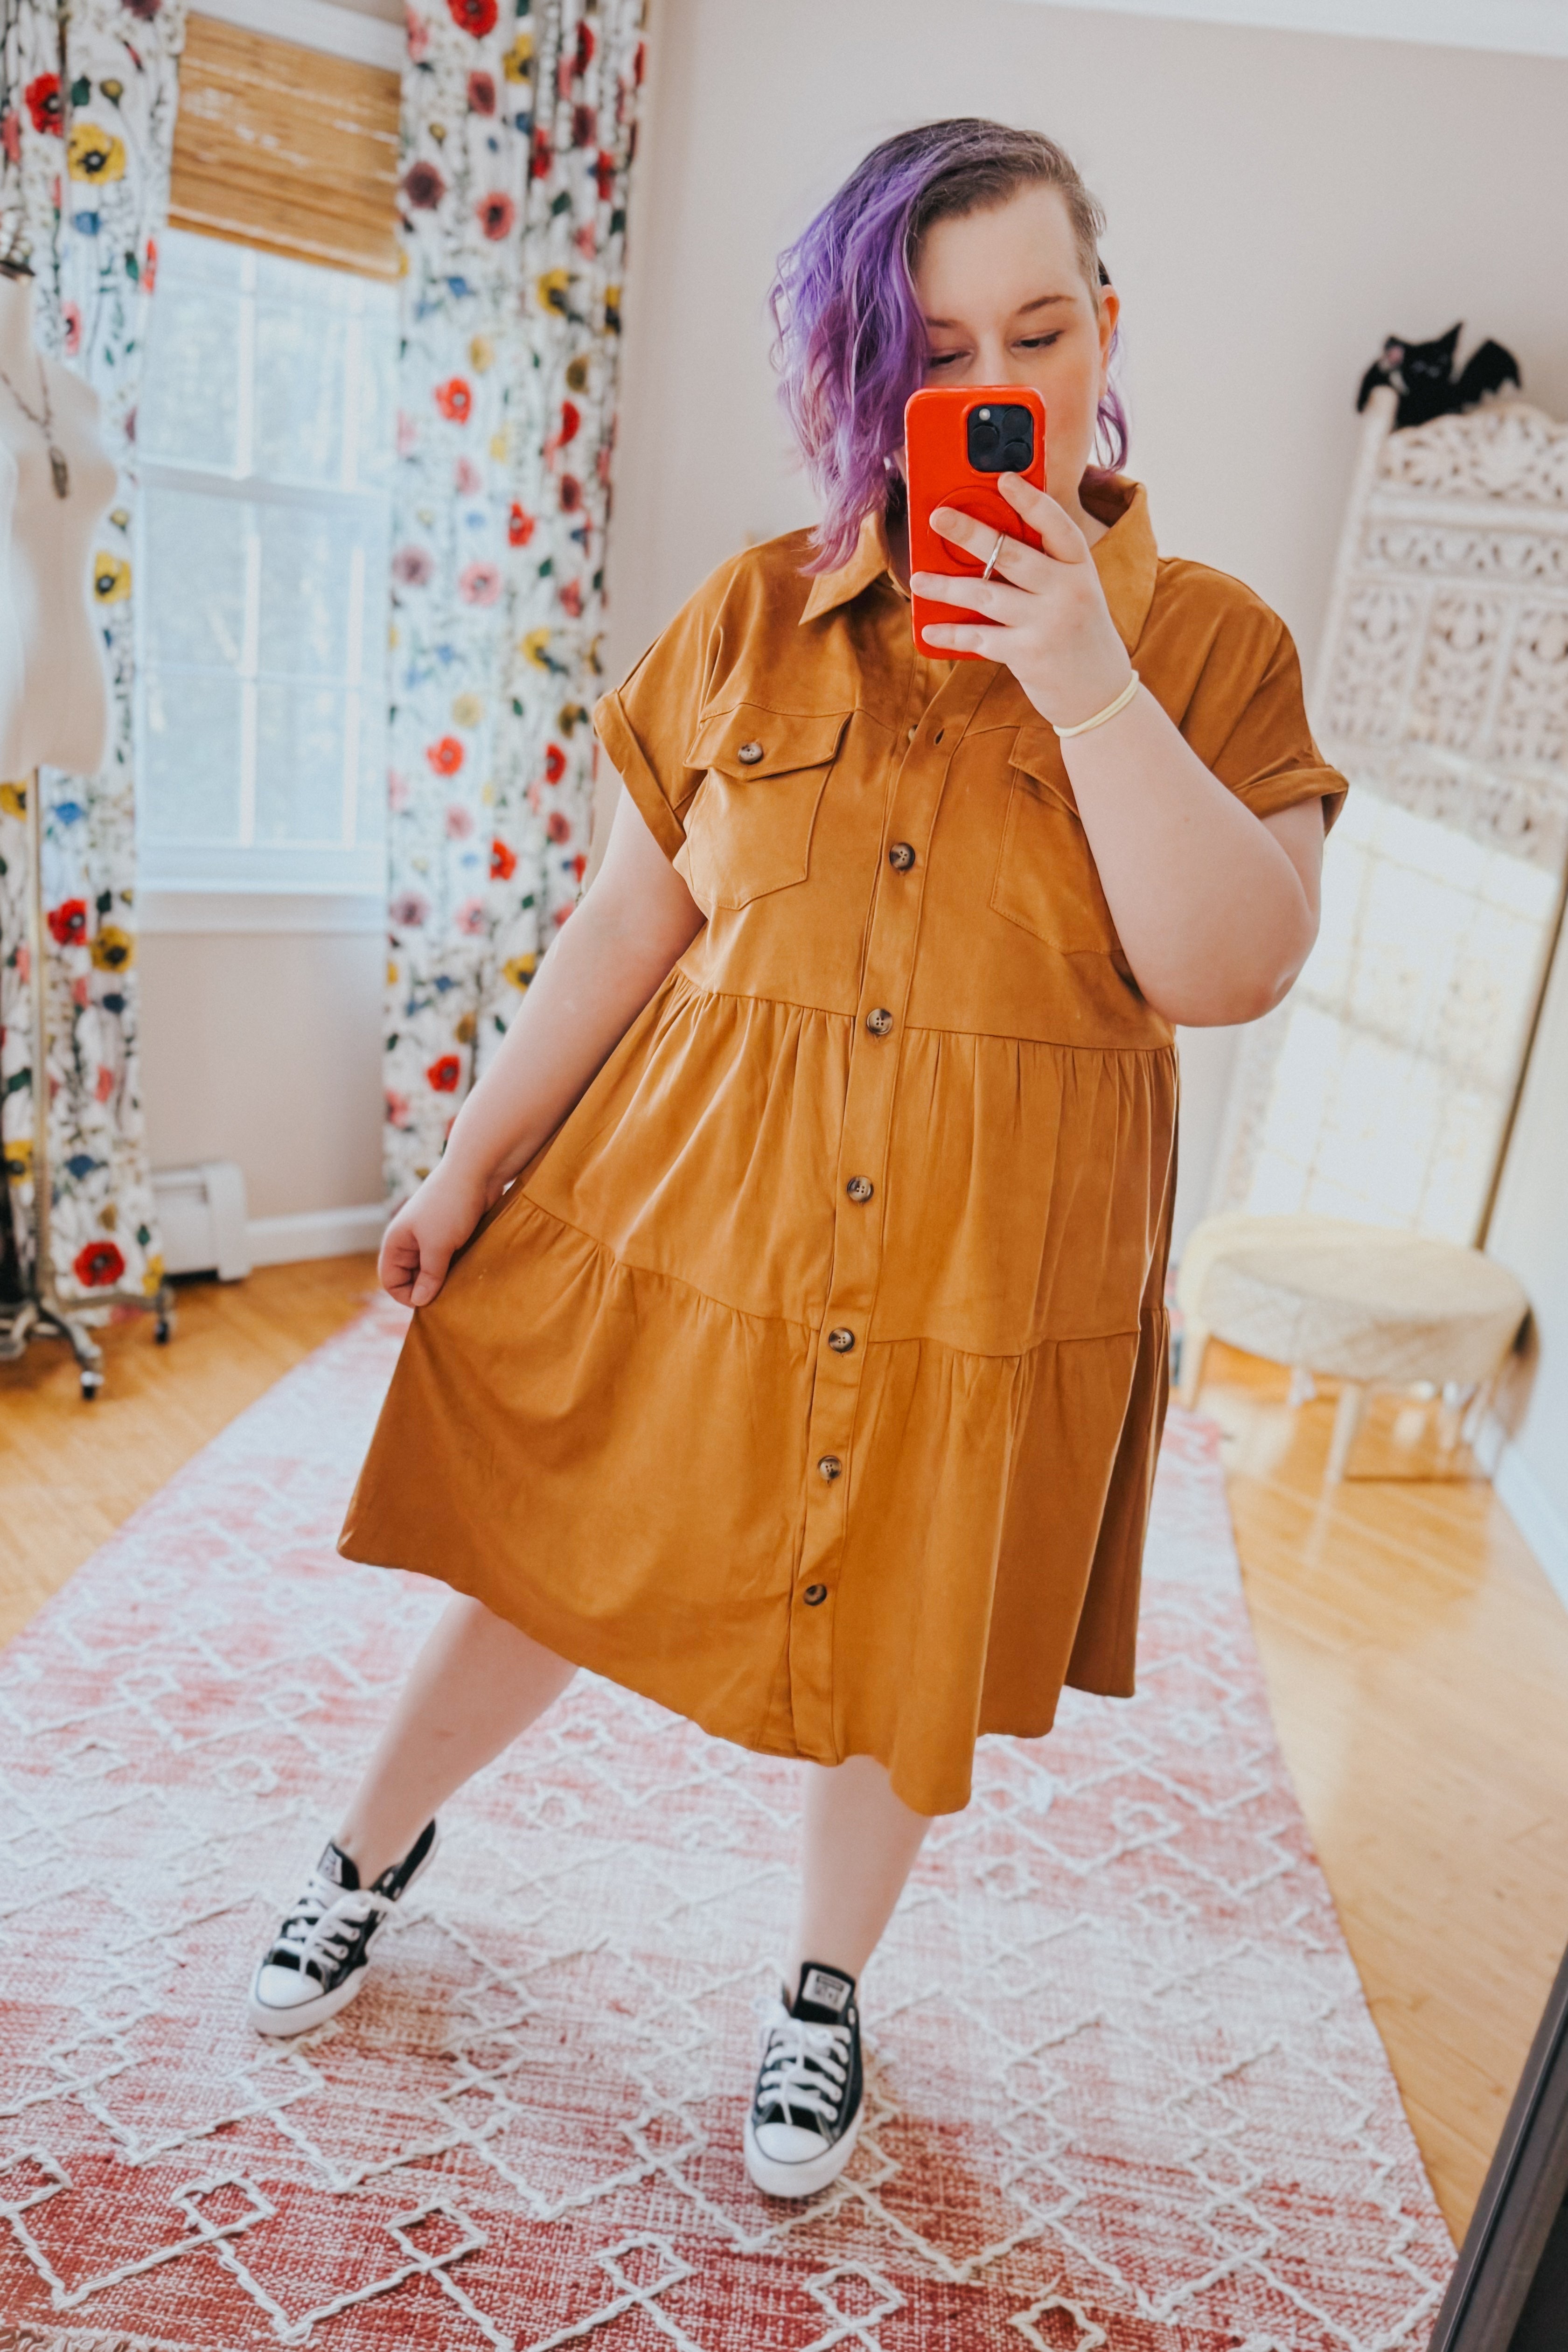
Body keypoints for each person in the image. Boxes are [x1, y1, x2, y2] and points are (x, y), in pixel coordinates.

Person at [246, 118, 1344, 2200]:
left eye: (1035, 329)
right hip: (698, 1216)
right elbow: (620, 928)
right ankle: (366, 1842)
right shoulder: (756, 619)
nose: (988, 384)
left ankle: (824, 1989)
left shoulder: (1205, 647)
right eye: (933, 352)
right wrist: (465, 1167)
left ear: (1104, 333)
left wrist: (1081, 675)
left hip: (976, 1276)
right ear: (868, 371)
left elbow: (1235, 963)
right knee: (553, 1537)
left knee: (896, 1628)